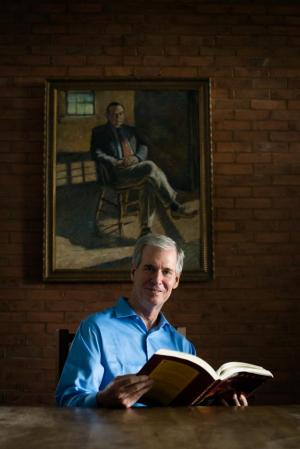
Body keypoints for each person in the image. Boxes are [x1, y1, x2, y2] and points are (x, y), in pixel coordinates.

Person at [56, 234, 248, 408]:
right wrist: (101, 400)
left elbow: (191, 410)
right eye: (149, 268)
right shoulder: (95, 329)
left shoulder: (183, 346)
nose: (157, 279)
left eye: (167, 272)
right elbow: (67, 400)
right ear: (133, 272)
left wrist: (218, 403)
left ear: (176, 281)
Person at [90, 102, 197, 237]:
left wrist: (137, 157)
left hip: (134, 169)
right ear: (107, 115)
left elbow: (144, 146)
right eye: (114, 114)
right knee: (150, 166)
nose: (118, 117)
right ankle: (174, 206)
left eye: (120, 114)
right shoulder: (99, 132)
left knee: (149, 182)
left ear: (124, 115)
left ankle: (145, 229)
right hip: (116, 174)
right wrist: (115, 161)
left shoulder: (130, 130)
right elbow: (96, 153)